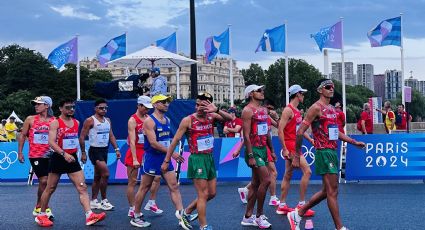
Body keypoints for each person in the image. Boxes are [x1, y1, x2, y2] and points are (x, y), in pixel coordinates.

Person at [287, 79, 365, 230]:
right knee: (333, 191)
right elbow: (300, 132)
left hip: (332, 151)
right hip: (323, 152)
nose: (331, 89)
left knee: (326, 191)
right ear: (320, 90)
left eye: (332, 87)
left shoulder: (332, 110)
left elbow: (337, 133)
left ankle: (298, 214)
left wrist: (354, 142)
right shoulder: (315, 108)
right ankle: (339, 227)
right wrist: (296, 155)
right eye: (328, 87)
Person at [164, 92, 232, 230]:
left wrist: (217, 110)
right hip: (197, 159)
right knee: (203, 194)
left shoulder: (212, 116)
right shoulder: (187, 120)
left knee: (212, 193)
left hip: (209, 158)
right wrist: (166, 160)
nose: (199, 107)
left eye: (203, 105)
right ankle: (203, 225)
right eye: (197, 104)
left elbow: (230, 118)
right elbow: (175, 140)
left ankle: (187, 212)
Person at [35, 98, 106, 227]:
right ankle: (41, 215)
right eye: (68, 107)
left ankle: (89, 215)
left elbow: (76, 139)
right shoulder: (55, 123)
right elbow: (51, 142)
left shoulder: (77, 122)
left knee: (82, 187)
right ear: (61, 109)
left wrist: (82, 153)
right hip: (58, 157)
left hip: (72, 157)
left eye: (73, 107)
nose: (71, 110)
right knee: (50, 188)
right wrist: (63, 153)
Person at [130, 94, 192, 229]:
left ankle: (182, 215)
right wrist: (172, 153)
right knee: (144, 187)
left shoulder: (167, 120)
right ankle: (136, 215)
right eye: (163, 102)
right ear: (155, 104)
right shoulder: (149, 121)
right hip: (152, 158)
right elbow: (153, 143)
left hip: (164, 157)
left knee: (174, 186)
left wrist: (169, 156)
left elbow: (167, 140)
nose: (166, 104)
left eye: (168, 102)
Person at [239, 84, 276, 229]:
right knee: (266, 180)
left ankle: (248, 216)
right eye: (258, 91)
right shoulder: (247, 110)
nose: (262, 92)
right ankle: (259, 216)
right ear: (250, 94)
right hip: (253, 149)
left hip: (263, 149)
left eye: (262, 90)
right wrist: (250, 155)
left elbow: (266, 132)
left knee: (255, 184)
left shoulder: (264, 110)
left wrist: (271, 150)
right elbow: (246, 136)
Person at [276, 85, 315, 217]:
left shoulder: (296, 111)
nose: (303, 96)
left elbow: (300, 131)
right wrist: (284, 149)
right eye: (302, 94)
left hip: (293, 144)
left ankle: (282, 205)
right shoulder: (288, 110)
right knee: (307, 172)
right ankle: (301, 205)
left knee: (288, 174)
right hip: (290, 145)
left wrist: (310, 140)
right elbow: (280, 130)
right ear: (297, 94)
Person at [79, 99, 121, 211]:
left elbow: (111, 135)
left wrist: (116, 149)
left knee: (97, 177)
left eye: (105, 108)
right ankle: (104, 200)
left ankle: (93, 201)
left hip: (104, 150)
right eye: (101, 108)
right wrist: (83, 152)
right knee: (106, 174)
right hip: (94, 151)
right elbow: (82, 137)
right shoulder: (90, 120)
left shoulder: (108, 120)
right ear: (95, 108)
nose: (104, 110)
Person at [125, 96, 163, 218]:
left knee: (156, 178)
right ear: (139, 106)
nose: (147, 110)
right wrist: (135, 158)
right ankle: (132, 208)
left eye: (148, 108)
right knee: (132, 182)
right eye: (145, 107)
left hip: (147, 152)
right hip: (134, 152)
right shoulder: (132, 120)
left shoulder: (148, 118)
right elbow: (131, 141)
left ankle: (151, 202)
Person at [18, 96, 56, 219]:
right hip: (36, 155)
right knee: (43, 180)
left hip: (50, 154)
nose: (36, 106)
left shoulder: (54, 121)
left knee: (48, 183)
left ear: (47, 106)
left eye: (38, 104)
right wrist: (20, 152)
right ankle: (44, 207)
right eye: (35, 104)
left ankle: (39, 206)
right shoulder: (30, 119)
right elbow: (23, 135)